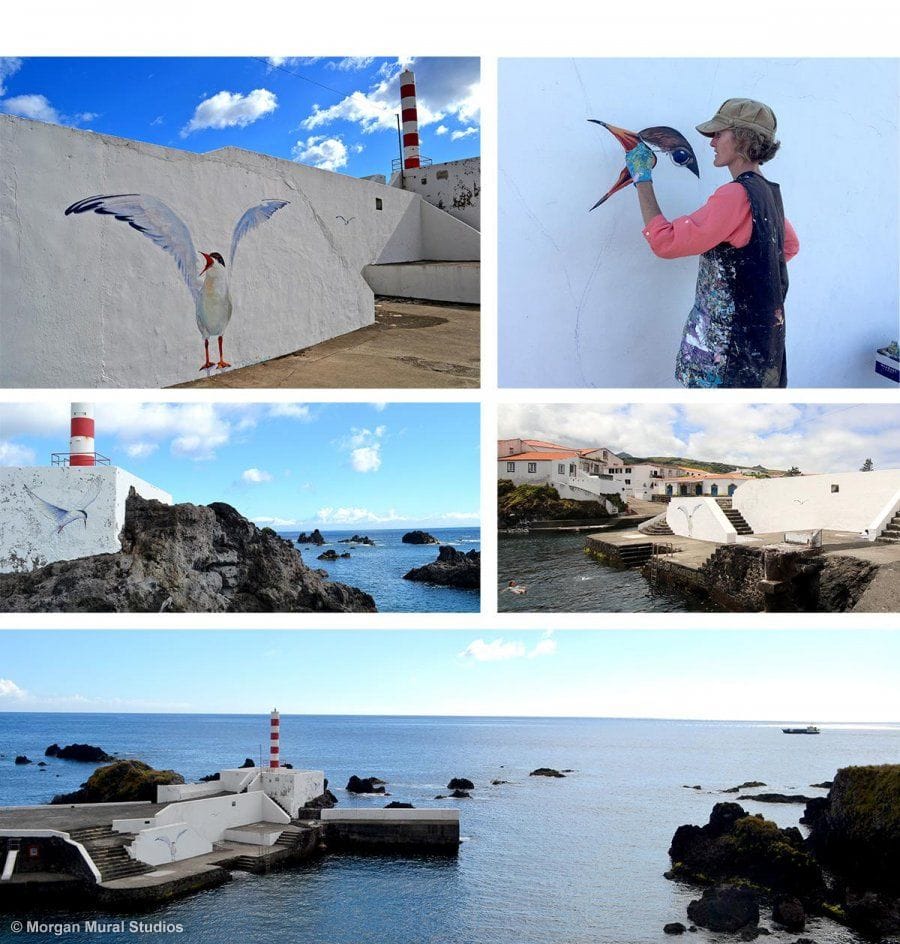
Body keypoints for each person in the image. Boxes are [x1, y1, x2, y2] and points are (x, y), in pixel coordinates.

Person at [625, 98, 799, 388]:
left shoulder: (736, 195)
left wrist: (642, 179)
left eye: (719, 134)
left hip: (725, 350)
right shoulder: (768, 193)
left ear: (742, 138)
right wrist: (748, 276)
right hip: (761, 349)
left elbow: (664, 242)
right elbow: (788, 248)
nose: (712, 143)